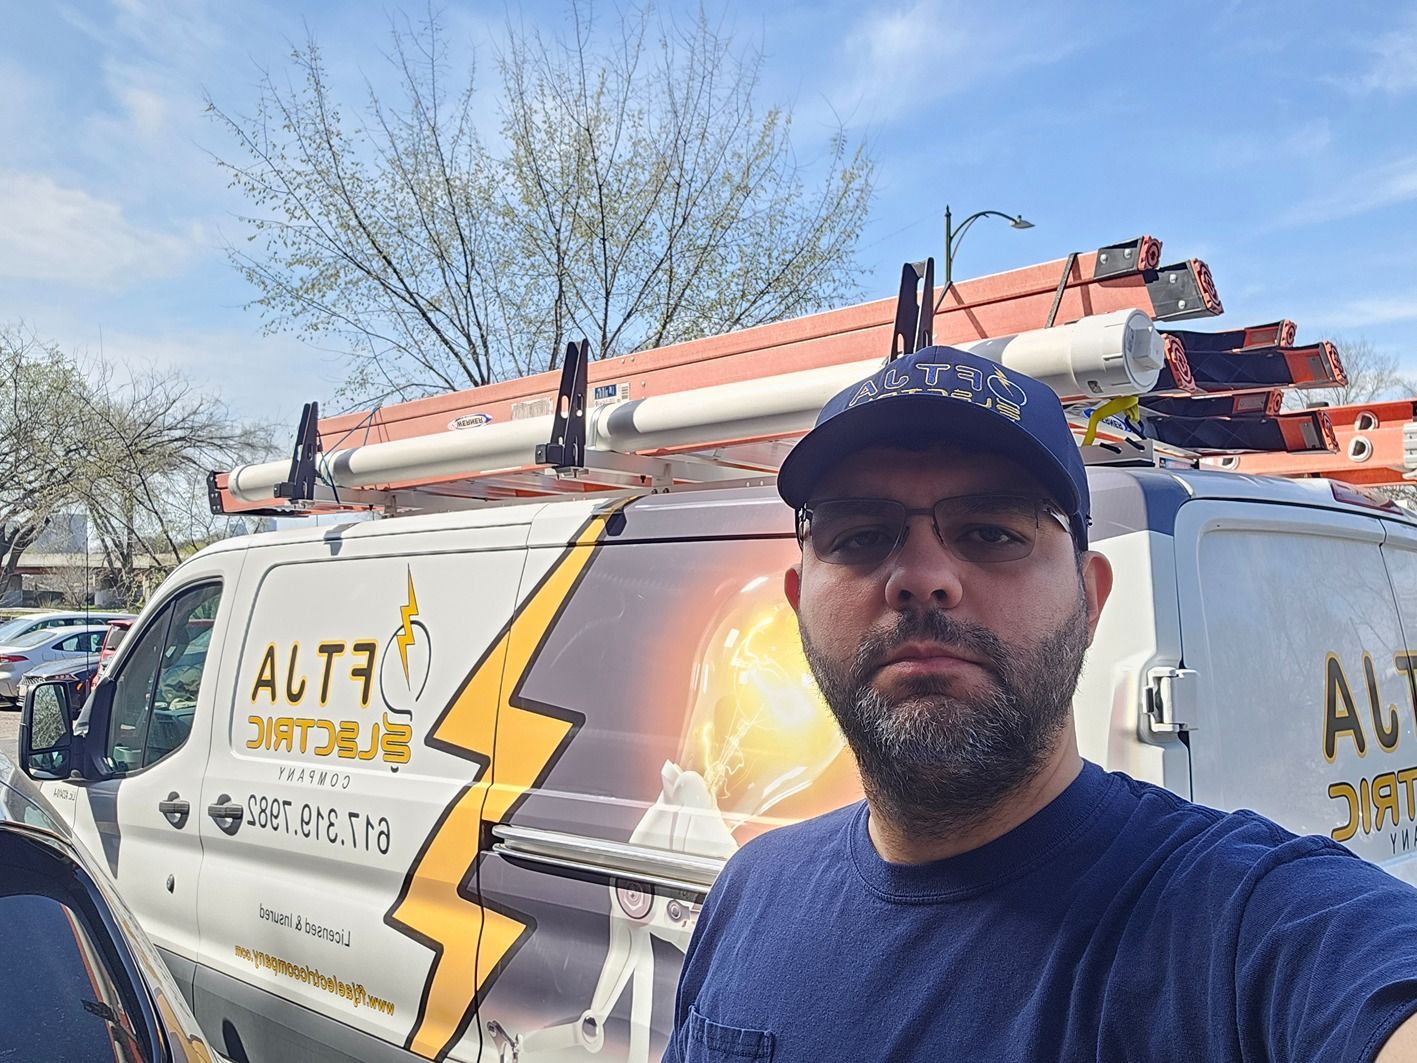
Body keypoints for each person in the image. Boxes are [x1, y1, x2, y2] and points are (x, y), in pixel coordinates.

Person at [664, 346, 1417, 1062]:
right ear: (798, 604)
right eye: (859, 535)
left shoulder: (1242, 924)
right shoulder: (748, 891)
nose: (922, 576)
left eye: (990, 531)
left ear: (1089, 601)